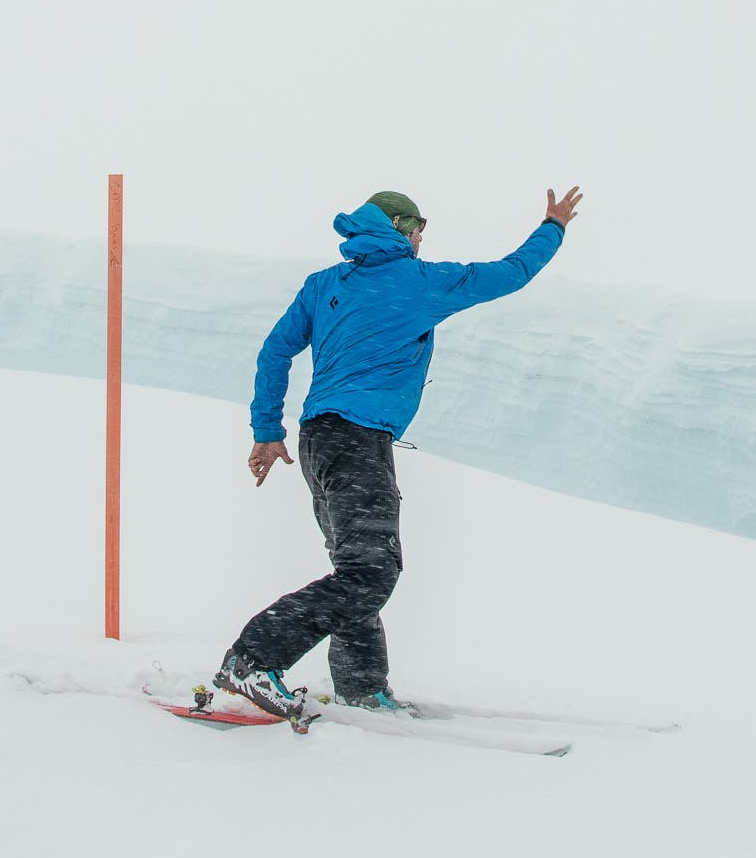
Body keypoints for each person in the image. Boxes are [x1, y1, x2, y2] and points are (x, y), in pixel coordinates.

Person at [215, 185, 584, 718]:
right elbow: (513, 272)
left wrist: (267, 430)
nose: (421, 239)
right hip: (358, 439)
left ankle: (361, 688)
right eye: (418, 229)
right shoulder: (421, 280)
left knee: (355, 569)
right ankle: (252, 660)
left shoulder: (323, 285)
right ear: (401, 229)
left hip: (319, 439)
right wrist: (554, 226)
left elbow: (275, 352)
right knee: (370, 574)